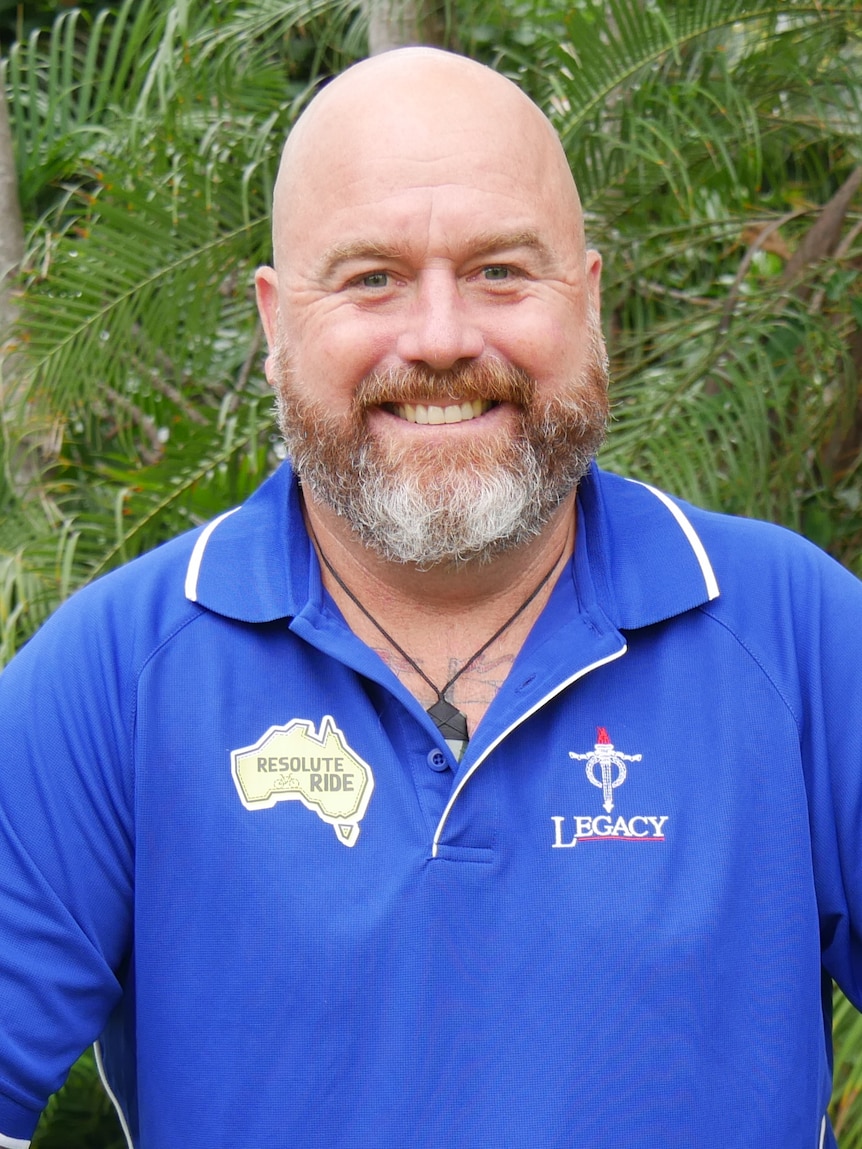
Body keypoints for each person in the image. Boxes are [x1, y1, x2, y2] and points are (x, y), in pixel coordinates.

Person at [0, 46, 859, 1149]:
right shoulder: (110, 680)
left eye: (502, 271)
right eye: (371, 278)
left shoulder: (795, 634)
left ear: (587, 299)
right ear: (273, 322)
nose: (444, 337)